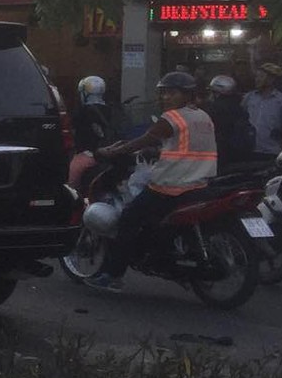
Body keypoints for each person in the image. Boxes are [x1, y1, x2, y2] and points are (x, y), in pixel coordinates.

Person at [86, 70, 218, 292]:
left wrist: (112, 151)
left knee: (128, 218)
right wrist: (157, 150)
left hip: (170, 186)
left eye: (172, 93)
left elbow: (141, 140)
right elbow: (183, 145)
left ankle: (112, 275)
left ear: (187, 94)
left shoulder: (171, 118)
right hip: (199, 184)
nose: (166, 98)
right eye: (164, 93)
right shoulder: (203, 117)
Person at [241, 62, 282, 159]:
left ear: (271, 79)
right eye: (256, 76)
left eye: (261, 77)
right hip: (249, 150)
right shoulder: (249, 97)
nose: (257, 80)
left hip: (271, 151)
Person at [203, 73, 251, 172]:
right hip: (240, 155)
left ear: (217, 93)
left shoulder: (213, 109)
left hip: (218, 154)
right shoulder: (239, 108)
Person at [71, 75, 112, 154]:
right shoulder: (111, 109)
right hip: (106, 150)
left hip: (86, 152)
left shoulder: (82, 111)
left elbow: (74, 130)